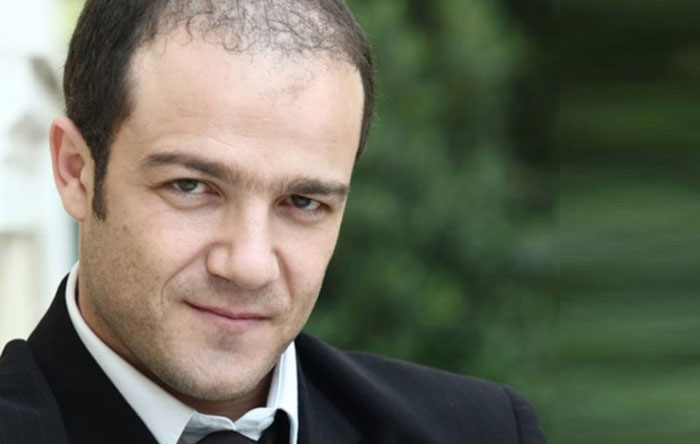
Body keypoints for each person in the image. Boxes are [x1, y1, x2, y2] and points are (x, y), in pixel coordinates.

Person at [0, 1, 546, 443]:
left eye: (303, 202)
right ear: (76, 172)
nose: (249, 266)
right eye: (191, 187)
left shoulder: (483, 432)